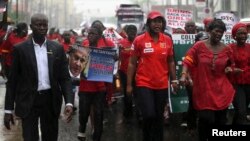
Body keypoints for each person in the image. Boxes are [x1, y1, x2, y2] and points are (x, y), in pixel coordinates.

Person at [3, 13, 74, 141]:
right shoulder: (20, 49)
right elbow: (12, 81)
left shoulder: (57, 48)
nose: (42, 28)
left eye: (44, 25)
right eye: (38, 25)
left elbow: (64, 78)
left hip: (50, 101)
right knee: (30, 137)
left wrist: (69, 102)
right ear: (31, 26)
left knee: (50, 137)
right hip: (28, 101)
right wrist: (8, 110)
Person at [179, 19, 236, 141]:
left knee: (220, 121)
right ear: (209, 31)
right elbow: (187, 60)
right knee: (206, 119)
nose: (219, 34)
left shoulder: (227, 49)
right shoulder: (199, 46)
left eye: (221, 32)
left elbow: (231, 65)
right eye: (216, 31)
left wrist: (230, 69)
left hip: (221, 90)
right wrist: (184, 75)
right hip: (203, 89)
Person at [126, 11, 178, 141]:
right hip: (144, 83)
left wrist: (174, 80)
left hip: (161, 84)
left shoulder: (167, 40)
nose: (157, 24)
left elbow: (171, 61)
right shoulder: (139, 40)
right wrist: (128, 85)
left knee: (159, 117)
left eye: (159, 21)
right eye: (154, 21)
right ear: (148, 23)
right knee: (149, 114)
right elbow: (132, 63)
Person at [77, 26, 115, 141]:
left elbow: (110, 65)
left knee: (99, 115)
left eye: (93, 33)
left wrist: (114, 58)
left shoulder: (104, 49)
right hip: (85, 88)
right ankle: (82, 128)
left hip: (100, 90)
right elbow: (77, 66)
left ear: (99, 36)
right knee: (84, 113)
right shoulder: (84, 47)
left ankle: (97, 137)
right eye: (89, 33)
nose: (90, 35)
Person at [228, 22, 250, 125]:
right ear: (234, 35)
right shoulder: (229, 48)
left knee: (240, 111)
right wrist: (232, 69)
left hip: (249, 83)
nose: (243, 36)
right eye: (240, 33)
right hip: (235, 84)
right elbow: (224, 65)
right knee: (242, 112)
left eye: (245, 33)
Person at [118, 24, 137, 119]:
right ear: (127, 32)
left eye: (134, 32)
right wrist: (119, 50)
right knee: (127, 93)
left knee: (137, 93)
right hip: (124, 72)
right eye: (130, 32)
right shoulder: (121, 42)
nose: (132, 33)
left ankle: (139, 114)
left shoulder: (139, 42)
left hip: (137, 72)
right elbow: (117, 57)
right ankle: (127, 113)